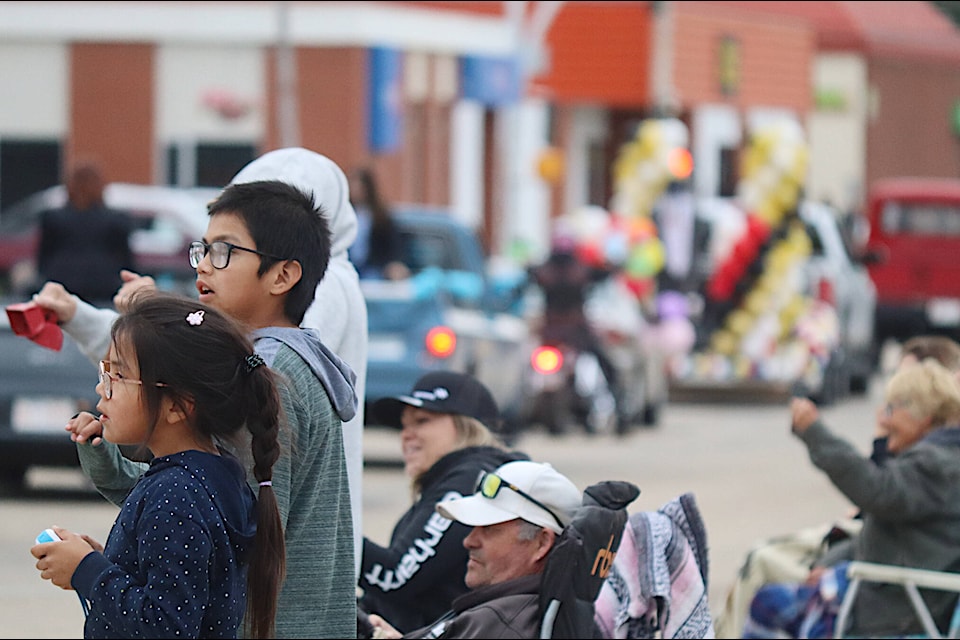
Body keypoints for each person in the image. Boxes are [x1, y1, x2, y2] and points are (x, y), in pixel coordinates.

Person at [32, 146, 370, 584]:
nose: (204, 267)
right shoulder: (268, 354)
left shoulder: (272, 369)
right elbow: (203, 502)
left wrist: (93, 573)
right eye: (203, 250)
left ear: (284, 274)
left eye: (225, 251)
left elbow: (209, 526)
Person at [31, 293, 285, 639]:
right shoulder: (215, 474)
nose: (100, 389)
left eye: (117, 376)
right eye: (105, 372)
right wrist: (110, 563)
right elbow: (183, 587)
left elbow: (166, 626)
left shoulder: (175, 494)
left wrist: (87, 571)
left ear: (178, 405)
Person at [715, 335, 960, 638]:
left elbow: (874, 488)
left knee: (767, 602)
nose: (883, 418)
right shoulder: (938, 459)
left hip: (892, 611)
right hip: (892, 594)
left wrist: (814, 432)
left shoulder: (936, 465)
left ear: (922, 414)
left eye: (891, 409)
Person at [358, 371, 529, 633]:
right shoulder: (454, 477)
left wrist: (321, 531)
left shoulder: (468, 480)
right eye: (404, 426)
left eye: (422, 421)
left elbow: (395, 577)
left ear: (466, 426)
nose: (407, 435)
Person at [367, 459, 583, 639]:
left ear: (542, 543)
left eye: (489, 529)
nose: (469, 541)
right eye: (474, 527)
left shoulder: (500, 624)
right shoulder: (512, 613)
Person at [36, 158, 135, 304]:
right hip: (104, 286)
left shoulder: (53, 218)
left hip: (62, 284)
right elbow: (126, 259)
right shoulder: (116, 220)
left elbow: (44, 256)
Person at [348, 167, 409, 280]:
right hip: (348, 264)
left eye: (359, 187)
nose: (355, 191)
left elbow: (393, 246)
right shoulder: (345, 214)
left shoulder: (381, 218)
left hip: (372, 268)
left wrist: (392, 265)